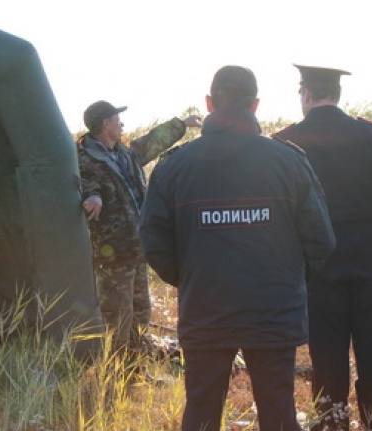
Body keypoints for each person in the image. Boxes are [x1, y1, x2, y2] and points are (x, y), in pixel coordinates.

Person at [140, 65, 336, 431]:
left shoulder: (174, 166)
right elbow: (320, 240)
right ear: (255, 105)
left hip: (206, 309)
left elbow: (154, 244)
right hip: (273, 310)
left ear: (209, 103)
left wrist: (193, 278)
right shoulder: (289, 161)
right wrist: (288, 280)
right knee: (279, 414)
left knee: (200, 414)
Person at [274, 64, 372, 431]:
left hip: (317, 263)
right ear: (338, 94)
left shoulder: (286, 142)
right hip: (371, 257)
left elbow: (282, 212)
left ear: (305, 94)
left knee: (327, 355)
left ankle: (330, 423)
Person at [77, 100, 201, 365]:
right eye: (117, 119)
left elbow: (152, 142)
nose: (121, 123)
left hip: (136, 250)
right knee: (117, 322)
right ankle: (113, 376)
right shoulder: (84, 159)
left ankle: (134, 372)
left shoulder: (124, 154)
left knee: (141, 316)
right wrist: (93, 196)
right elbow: (84, 183)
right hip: (112, 257)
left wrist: (182, 124)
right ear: (106, 124)